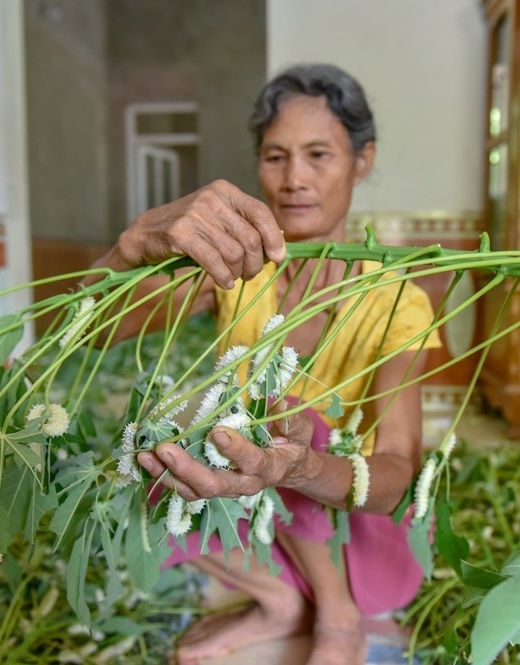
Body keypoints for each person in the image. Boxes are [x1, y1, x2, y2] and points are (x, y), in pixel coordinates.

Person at [89, 63, 439, 665]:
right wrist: (131, 245)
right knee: (150, 445)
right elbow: (93, 331)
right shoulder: (241, 272)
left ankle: (336, 611)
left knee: (295, 416)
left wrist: (301, 468)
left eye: (319, 155)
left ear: (362, 160)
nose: (294, 179)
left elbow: (397, 476)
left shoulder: (397, 299)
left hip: (361, 538)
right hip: (262, 516)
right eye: (275, 157)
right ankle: (281, 601)